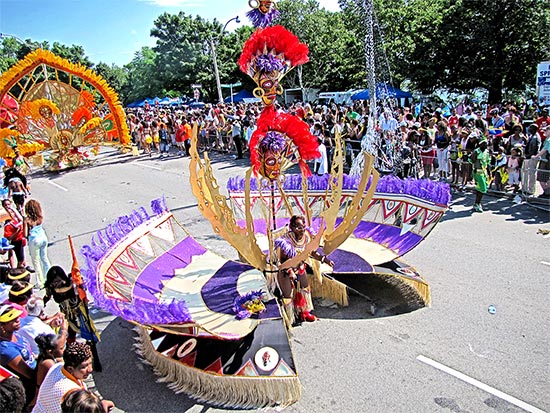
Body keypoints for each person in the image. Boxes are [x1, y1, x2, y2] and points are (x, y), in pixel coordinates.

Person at [274, 215, 334, 324]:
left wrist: (324, 259)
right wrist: (290, 272)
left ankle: (303, 312)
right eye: (298, 227)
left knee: (305, 288)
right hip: (285, 270)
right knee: (287, 295)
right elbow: (282, 261)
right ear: (292, 228)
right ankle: (289, 318)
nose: (302, 230)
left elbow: (311, 252)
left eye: (303, 227)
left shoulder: (306, 237)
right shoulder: (285, 241)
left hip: (299, 267)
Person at [32, 342, 114, 413]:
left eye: (90, 363)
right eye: (84, 367)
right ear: (70, 368)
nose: (90, 369)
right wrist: (100, 406)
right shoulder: (70, 392)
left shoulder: (59, 367)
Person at [0, 304, 37, 406]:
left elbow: (30, 355)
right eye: (12, 319)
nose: (18, 319)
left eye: (17, 317)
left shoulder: (14, 334)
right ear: (1, 326)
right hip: (31, 389)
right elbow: (29, 374)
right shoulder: (6, 350)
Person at [25, 200, 52, 288]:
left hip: (34, 239)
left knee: (36, 261)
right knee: (44, 258)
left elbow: (25, 233)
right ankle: (49, 278)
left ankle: (40, 282)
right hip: (43, 237)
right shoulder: (40, 217)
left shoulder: (27, 220)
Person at [2, 199, 28, 270]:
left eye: (8, 204)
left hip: (19, 237)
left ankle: (20, 266)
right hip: (13, 237)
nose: (7, 206)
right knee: (11, 252)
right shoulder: (5, 216)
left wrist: (13, 209)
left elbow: (20, 219)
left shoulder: (14, 213)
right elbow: (9, 237)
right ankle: (13, 268)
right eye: (5, 205)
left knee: (20, 255)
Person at [471, 136, 491, 212]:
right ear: (481, 144)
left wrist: (490, 173)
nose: (486, 145)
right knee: (482, 188)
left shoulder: (487, 152)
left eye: (487, 143)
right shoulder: (476, 151)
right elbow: (471, 160)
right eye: (484, 143)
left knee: (481, 188)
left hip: (484, 172)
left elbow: (488, 163)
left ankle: (477, 203)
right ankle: (477, 203)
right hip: (477, 172)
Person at [522, 124, 541, 195]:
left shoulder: (535, 137)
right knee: (525, 173)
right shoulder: (531, 136)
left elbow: (534, 149)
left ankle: (531, 190)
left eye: (530, 128)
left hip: (531, 158)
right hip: (528, 158)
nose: (529, 129)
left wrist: (527, 155)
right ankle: (525, 188)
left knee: (531, 174)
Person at [534, 125, 550, 198]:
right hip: (545, 160)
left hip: (547, 161)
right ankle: (547, 192)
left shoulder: (549, 140)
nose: (544, 132)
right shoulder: (547, 139)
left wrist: (536, 156)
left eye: (546, 130)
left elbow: (544, 150)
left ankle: (547, 192)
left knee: (541, 177)